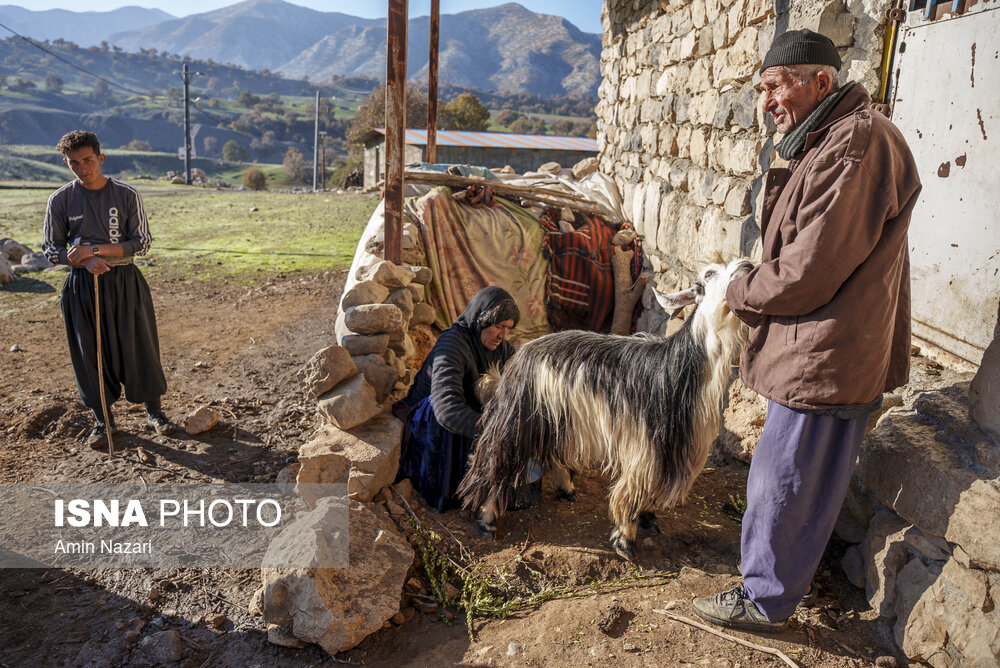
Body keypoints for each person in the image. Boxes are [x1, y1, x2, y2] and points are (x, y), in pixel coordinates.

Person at [692, 30, 921, 632]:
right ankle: (780, 578)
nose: (766, 101)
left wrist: (734, 290)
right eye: (762, 90)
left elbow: (809, 268)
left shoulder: (858, 143)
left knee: (785, 475)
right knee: (799, 474)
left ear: (820, 82)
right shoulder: (836, 137)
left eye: (775, 86)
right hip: (824, 343)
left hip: (826, 348)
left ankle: (766, 600)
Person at [42, 130, 175, 449]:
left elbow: (141, 243)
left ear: (100, 159)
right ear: (66, 163)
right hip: (81, 287)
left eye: (88, 160)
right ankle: (103, 421)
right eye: (74, 163)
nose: (82, 167)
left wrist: (95, 252)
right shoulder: (60, 199)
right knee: (89, 351)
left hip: (125, 281)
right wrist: (81, 262)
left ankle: (156, 414)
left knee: (139, 344)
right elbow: (50, 248)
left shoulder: (126, 194)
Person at [394, 286, 519, 512]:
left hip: (472, 421)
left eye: (508, 329)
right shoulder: (452, 344)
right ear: (482, 319)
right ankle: (449, 490)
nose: (503, 335)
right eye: (499, 326)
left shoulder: (503, 350)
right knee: (434, 408)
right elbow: (447, 410)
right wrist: (495, 432)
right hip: (431, 426)